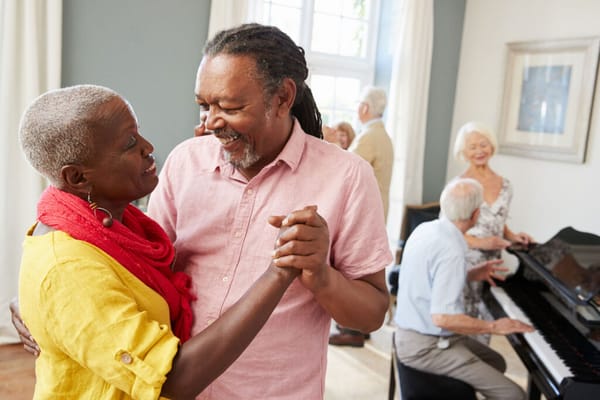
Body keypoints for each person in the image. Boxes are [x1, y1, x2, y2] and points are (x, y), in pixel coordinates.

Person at [147, 23, 391, 399]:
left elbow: (373, 313)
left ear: (282, 97)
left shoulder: (347, 177)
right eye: (204, 106)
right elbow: (138, 266)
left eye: (229, 107)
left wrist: (321, 276)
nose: (211, 123)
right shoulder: (184, 162)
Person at [15, 84, 305, 399]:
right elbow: (173, 380)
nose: (148, 147)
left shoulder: (114, 226)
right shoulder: (68, 269)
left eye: (139, 134)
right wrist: (279, 271)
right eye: (128, 143)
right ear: (77, 178)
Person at [393, 178, 534, 400]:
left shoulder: (427, 229)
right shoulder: (452, 249)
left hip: (408, 334)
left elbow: (429, 279)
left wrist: (470, 274)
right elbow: (443, 318)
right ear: (477, 214)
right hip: (426, 346)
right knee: (514, 394)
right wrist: (494, 326)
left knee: (497, 362)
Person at [453, 121, 534, 343]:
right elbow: (448, 234)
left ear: (492, 146)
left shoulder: (506, 185)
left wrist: (513, 236)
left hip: (493, 266)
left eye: (483, 144)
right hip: (467, 263)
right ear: (463, 152)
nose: (479, 151)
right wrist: (483, 243)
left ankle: (478, 369)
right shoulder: (460, 186)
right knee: (464, 325)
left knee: (487, 325)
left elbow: (498, 221)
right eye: (472, 147)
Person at [328, 85, 394, 347]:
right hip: (379, 208)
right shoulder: (383, 136)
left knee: (353, 269)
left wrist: (330, 144)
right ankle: (358, 328)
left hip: (364, 212)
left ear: (364, 108)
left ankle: (351, 329)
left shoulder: (368, 137)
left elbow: (344, 171)